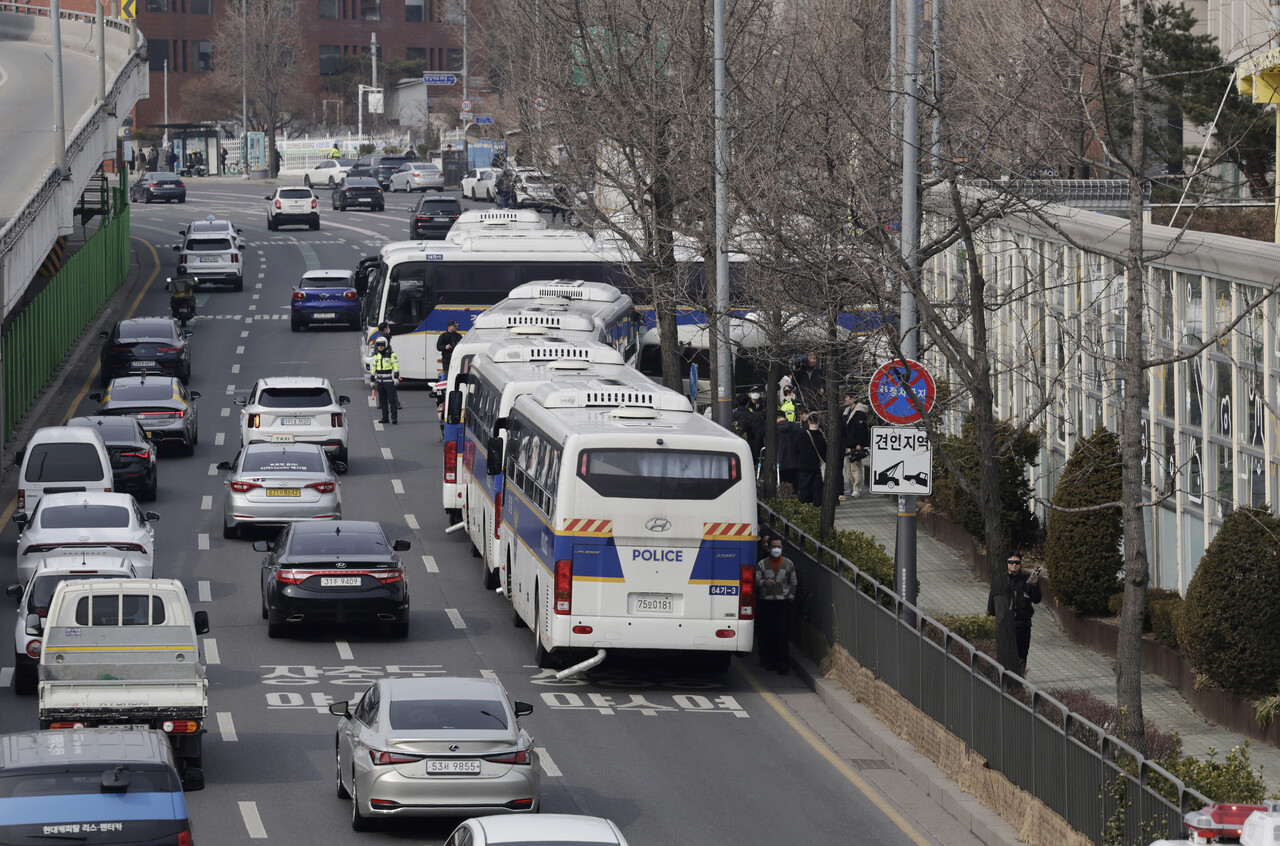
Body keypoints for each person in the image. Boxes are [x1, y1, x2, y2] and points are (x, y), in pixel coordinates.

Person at [987, 553, 1042, 675]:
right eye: (1010, 562)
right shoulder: (1001, 580)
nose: (1013, 565)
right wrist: (991, 621)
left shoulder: (1027, 580)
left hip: (1022, 626)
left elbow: (1037, 599)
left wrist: (1035, 585)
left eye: (1017, 563)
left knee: (1021, 656)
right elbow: (992, 603)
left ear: (1020, 564)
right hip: (1004, 625)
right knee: (1004, 656)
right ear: (1006, 564)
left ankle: (1019, 682)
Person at [756, 537, 797, 673]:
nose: (776, 549)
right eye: (774, 546)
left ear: (782, 548)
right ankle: (771, 660)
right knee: (769, 632)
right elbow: (756, 580)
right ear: (768, 547)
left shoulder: (788, 563)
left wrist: (790, 598)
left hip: (783, 603)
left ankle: (783, 663)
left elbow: (793, 582)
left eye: (778, 546)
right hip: (767, 602)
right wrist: (764, 583)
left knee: (782, 632)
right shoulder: (762, 564)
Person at [841, 392, 870, 497]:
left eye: (847, 397)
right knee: (848, 468)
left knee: (855, 467)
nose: (846, 399)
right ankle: (851, 486)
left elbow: (862, 430)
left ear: (853, 399)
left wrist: (859, 443)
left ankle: (857, 488)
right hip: (847, 443)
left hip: (855, 443)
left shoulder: (860, 412)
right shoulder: (846, 411)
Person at [795, 413, 826, 507]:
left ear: (808, 422)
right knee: (817, 489)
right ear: (819, 422)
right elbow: (825, 452)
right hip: (817, 467)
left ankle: (803, 508)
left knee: (804, 488)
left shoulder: (802, 435)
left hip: (804, 466)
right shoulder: (822, 436)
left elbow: (796, 449)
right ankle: (817, 508)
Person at [371, 337, 401, 425]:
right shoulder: (376, 356)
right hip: (380, 382)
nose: (380, 347)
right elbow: (373, 368)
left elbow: (396, 366)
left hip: (389, 382)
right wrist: (372, 379)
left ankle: (394, 418)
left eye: (382, 345)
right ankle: (385, 417)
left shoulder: (392, 355)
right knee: (382, 401)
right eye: (378, 345)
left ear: (386, 345)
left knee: (392, 400)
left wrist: (396, 377)